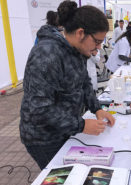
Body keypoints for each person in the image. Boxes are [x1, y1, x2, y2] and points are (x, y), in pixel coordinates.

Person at [20, 1, 115, 170]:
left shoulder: (76, 49)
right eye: (97, 41)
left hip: (65, 128)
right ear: (80, 33)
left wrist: (97, 109)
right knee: (65, 176)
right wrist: (82, 125)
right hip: (43, 138)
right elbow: (40, 109)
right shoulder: (46, 55)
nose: (99, 47)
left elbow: (84, 82)